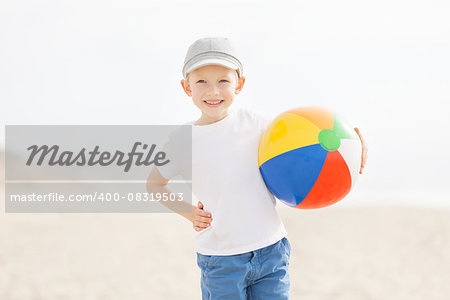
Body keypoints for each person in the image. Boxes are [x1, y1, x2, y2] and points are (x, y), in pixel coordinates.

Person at [147, 37, 368, 299]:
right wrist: (190, 213)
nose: (213, 91)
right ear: (187, 88)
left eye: (223, 81)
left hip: (271, 251)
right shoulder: (182, 140)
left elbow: (311, 136)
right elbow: (154, 184)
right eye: (201, 82)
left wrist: (354, 142)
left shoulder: (259, 124)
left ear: (239, 84)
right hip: (221, 260)